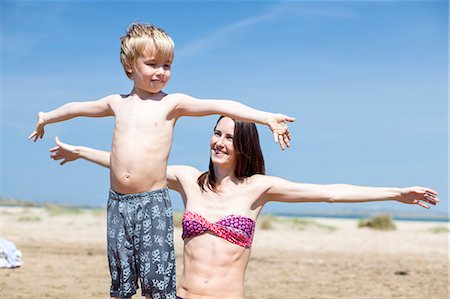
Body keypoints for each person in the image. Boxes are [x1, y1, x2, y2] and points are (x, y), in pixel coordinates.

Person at [28, 23, 294, 299]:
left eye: (167, 65)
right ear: (130, 65)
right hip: (117, 203)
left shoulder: (171, 104)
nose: (161, 72)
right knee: (121, 280)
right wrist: (46, 117)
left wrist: (265, 118)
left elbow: (221, 105)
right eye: (153, 64)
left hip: (152, 203)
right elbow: (77, 108)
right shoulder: (116, 103)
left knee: (158, 283)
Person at [49, 116, 439, 299]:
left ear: (244, 146)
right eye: (216, 133)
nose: (219, 142)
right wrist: (79, 151)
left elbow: (330, 193)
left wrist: (394, 193)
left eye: (229, 137)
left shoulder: (258, 189)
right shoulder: (188, 179)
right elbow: (129, 167)